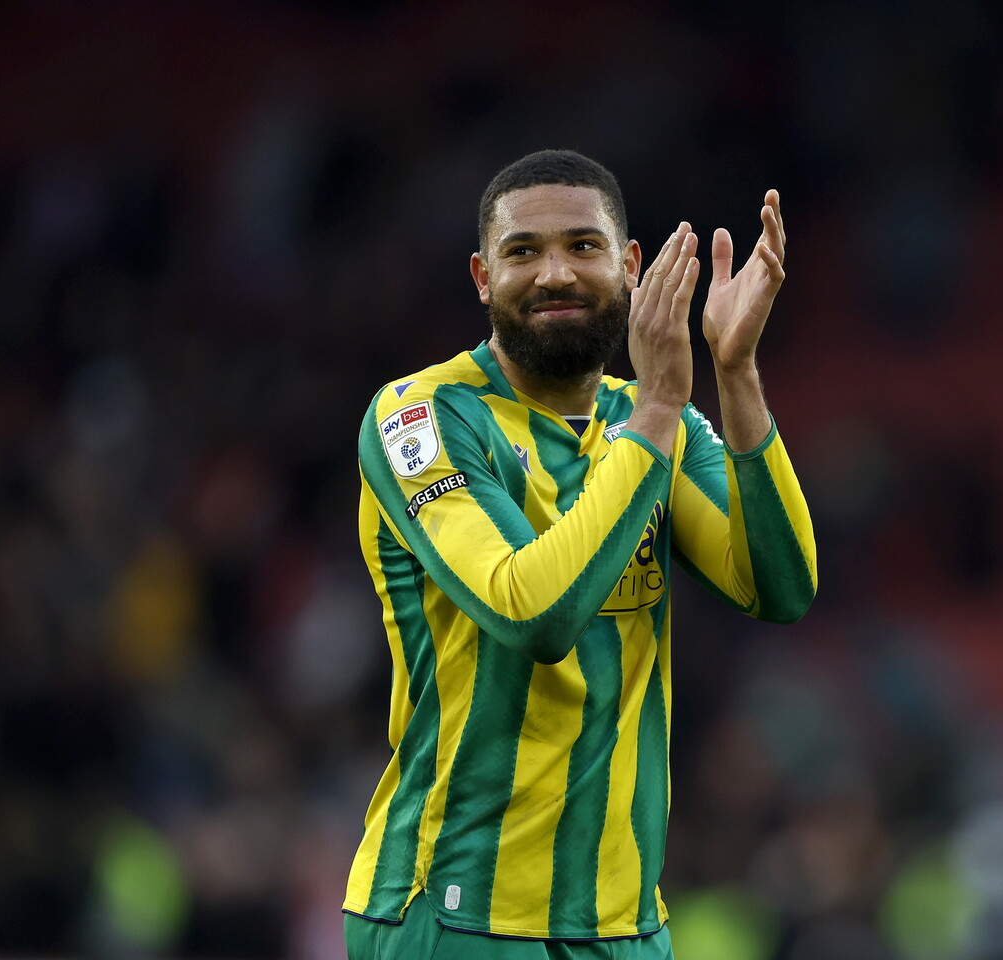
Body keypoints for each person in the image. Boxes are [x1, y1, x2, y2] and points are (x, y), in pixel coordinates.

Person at [343, 149, 817, 959]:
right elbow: (534, 614)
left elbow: (780, 588)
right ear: (482, 277)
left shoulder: (650, 420)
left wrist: (733, 374)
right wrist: (665, 404)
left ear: (630, 265)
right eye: (522, 252)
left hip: (625, 924)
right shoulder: (420, 418)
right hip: (458, 916)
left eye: (583, 247)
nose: (554, 273)